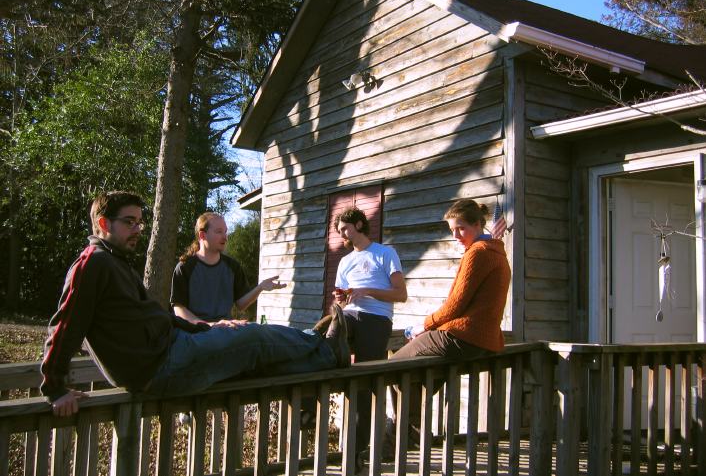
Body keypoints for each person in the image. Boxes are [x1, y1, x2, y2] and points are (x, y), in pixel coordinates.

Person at [40, 191, 350, 417]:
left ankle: (325, 354)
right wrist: (55, 388)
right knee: (253, 337)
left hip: (173, 348)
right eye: (129, 222)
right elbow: (64, 324)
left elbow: (157, 318)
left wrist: (200, 329)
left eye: (139, 223)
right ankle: (319, 343)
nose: (138, 229)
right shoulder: (92, 264)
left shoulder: (116, 262)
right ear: (104, 223)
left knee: (252, 363)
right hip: (158, 367)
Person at [390, 198, 511, 441]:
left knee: (394, 367)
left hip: (462, 337)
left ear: (479, 224)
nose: (456, 235)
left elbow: (454, 307)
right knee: (420, 377)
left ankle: (403, 435)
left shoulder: (477, 253)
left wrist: (422, 326)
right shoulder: (498, 253)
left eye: (461, 228)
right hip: (482, 340)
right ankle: (408, 433)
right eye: (452, 230)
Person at [330, 207, 407, 465]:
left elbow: (400, 294)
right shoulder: (345, 261)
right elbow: (341, 295)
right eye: (340, 230)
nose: (343, 233)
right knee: (326, 334)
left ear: (360, 224)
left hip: (377, 319)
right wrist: (341, 297)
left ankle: (356, 453)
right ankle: (310, 401)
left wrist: (367, 291)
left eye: (345, 228)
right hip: (349, 316)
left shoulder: (385, 253)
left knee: (364, 383)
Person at [171, 212, 284, 326]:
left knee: (263, 331)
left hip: (226, 330)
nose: (225, 237)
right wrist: (209, 325)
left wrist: (260, 287)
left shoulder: (233, 267)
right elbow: (179, 310)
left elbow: (241, 304)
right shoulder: (185, 267)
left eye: (225, 231)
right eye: (219, 231)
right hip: (194, 334)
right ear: (202, 235)